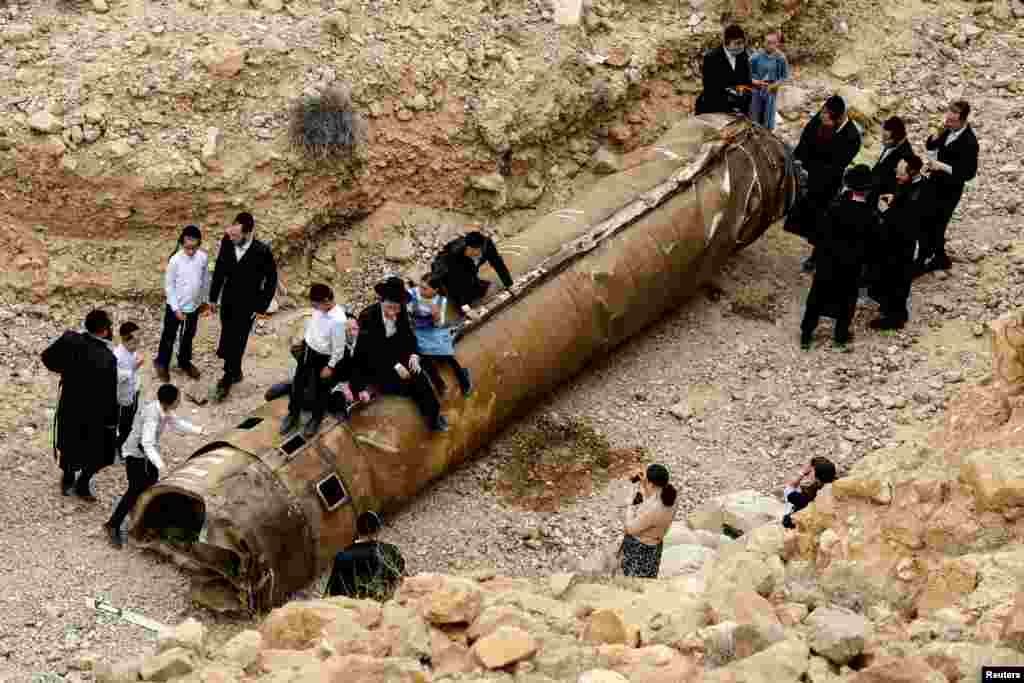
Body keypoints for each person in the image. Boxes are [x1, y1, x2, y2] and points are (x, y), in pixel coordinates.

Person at [103, 384, 204, 549]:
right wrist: (160, 465)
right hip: (136, 455)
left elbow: (176, 422)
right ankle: (112, 524)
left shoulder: (164, 410)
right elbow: (147, 443)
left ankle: (142, 517)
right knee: (135, 489)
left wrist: (199, 431)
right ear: (170, 402)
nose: (179, 401)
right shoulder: (152, 415)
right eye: (178, 399)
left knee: (150, 485)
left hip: (146, 455)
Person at [351, 276, 448, 432]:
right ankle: (423, 406)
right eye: (391, 308)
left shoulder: (400, 310)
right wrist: (395, 365)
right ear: (382, 301)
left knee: (419, 375)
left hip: (396, 351)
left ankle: (434, 416)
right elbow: (368, 351)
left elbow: (408, 336)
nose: (394, 313)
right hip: (375, 360)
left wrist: (414, 355)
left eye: (397, 308)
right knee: (408, 383)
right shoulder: (368, 317)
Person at [41, 309, 119, 501]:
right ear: (103, 331)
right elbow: (110, 395)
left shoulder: (70, 339)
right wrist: (112, 421)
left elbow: (47, 358)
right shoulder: (108, 359)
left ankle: (67, 479)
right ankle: (83, 484)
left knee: (68, 444)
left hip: (69, 404)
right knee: (97, 451)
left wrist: (66, 370)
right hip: (95, 413)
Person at [800, 164, 877, 349]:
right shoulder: (870, 215)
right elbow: (870, 245)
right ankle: (840, 334)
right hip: (852, 266)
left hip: (829, 261)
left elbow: (822, 236)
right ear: (867, 190)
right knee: (847, 299)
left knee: (817, 296)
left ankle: (806, 333)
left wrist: (817, 259)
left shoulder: (835, 207)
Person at [787, 95, 863, 272]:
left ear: (838, 118)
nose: (821, 116)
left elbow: (835, 166)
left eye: (826, 115)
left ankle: (815, 258)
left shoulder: (852, 137)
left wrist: (810, 172)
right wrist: (797, 161)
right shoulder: (823, 116)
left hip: (826, 186)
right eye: (822, 112)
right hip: (806, 175)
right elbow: (806, 139)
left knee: (821, 225)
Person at [208, 212, 278, 402]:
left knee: (237, 339)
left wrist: (261, 306)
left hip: (248, 304)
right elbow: (220, 269)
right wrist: (213, 298)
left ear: (247, 233)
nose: (230, 238)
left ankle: (228, 377)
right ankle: (235, 369)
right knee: (228, 332)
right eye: (230, 234)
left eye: (235, 235)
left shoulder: (262, 251)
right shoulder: (227, 241)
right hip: (228, 299)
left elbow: (271, 280)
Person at [280, 284, 350, 438]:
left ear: (325, 301)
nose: (313, 307)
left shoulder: (338, 320)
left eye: (315, 304)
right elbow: (313, 327)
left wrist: (330, 367)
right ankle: (293, 414)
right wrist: (304, 341)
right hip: (308, 350)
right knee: (298, 383)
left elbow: (338, 348)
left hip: (324, 358)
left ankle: (316, 419)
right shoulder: (319, 310)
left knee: (321, 390)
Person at [868, 156, 930, 330]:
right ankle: (889, 306)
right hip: (896, 241)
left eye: (900, 173)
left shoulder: (919, 193)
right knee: (890, 277)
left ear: (912, 173)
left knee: (897, 279)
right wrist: (893, 198)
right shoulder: (914, 185)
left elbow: (906, 223)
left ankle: (895, 317)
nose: (896, 175)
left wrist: (886, 211)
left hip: (902, 244)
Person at [918, 100, 979, 274]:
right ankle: (934, 255)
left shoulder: (970, 142)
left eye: (952, 121)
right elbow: (931, 145)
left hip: (950, 190)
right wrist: (935, 137)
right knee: (925, 217)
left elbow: (968, 173)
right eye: (947, 119)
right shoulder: (947, 129)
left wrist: (942, 166)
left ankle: (933, 258)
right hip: (934, 181)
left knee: (938, 222)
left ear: (963, 120)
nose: (948, 123)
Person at [155, 225, 210, 382]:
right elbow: (169, 286)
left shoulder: (203, 258)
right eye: (188, 248)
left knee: (188, 335)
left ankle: (184, 362)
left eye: (194, 247)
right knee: (169, 336)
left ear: (199, 245)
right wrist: (175, 308)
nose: (191, 251)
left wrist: (204, 301)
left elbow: (205, 280)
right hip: (176, 307)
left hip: (193, 306)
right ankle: (162, 363)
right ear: (182, 243)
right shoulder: (175, 260)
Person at [408, 274, 473, 398]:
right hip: (415, 329)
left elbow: (438, 324)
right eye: (420, 287)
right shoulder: (412, 294)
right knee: (422, 353)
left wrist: (436, 316)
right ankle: (438, 383)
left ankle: (462, 375)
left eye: (425, 289)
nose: (421, 291)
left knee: (443, 350)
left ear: (435, 290)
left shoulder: (440, 301)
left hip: (430, 329)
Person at [431, 230, 514, 316]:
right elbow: (456, 282)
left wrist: (509, 284)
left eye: (475, 251)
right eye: (470, 250)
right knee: (460, 297)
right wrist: (466, 308)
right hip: (444, 270)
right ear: (467, 248)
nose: (470, 252)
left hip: (467, 266)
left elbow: (498, 264)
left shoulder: (487, 245)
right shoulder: (454, 255)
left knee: (478, 288)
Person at [326, 511, 405, 599]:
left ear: (358, 530)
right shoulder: (389, 551)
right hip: (383, 608)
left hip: (352, 609)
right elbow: (401, 581)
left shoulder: (341, 557)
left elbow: (334, 593)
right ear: (378, 530)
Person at [619, 464, 677, 578]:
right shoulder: (672, 495)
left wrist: (630, 505)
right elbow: (654, 494)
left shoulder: (654, 509)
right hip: (655, 548)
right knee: (648, 580)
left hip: (641, 549)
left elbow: (629, 529)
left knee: (633, 580)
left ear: (651, 484)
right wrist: (645, 482)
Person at [695, 24, 753, 116]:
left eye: (743, 42)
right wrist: (731, 106)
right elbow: (711, 89)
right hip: (712, 108)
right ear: (726, 42)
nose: (741, 46)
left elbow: (747, 83)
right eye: (737, 43)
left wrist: (743, 106)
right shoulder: (711, 58)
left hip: (738, 109)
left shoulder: (743, 55)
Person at [113, 322, 144, 457]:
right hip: (121, 399)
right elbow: (116, 378)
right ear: (125, 339)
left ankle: (118, 445)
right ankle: (115, 447)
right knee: (122, 427)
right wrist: (134, 368)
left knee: (129, 424)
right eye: (135, 341)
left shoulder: (131, 350)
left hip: (133, 393)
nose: (138, 345)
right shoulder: (117, 356)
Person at [748, 32, 789, 130]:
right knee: (755, 115)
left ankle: (767, 133)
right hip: (756, 90)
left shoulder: (781, 58)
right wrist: (755, 82)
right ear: (764, 43)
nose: (771, 46)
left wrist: (774, 85)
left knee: (768, 116)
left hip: (771, 91)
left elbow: (784, 77)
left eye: (773, 43)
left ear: (778, 43)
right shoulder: (756, 57)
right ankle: (754, 132)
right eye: (768, 42)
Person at [782, 456, 837, 529]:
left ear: (816, 476)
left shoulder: (804, 498)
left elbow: (789, 488)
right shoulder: (832, 488)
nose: (808, 473)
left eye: (810, 471)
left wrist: (802, 473)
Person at [870, 116, 914, 202]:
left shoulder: (907, 157)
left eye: (886, 138)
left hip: (880, 197)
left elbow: (899, 187)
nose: (882, 141)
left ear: (897, 138)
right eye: (883, 136)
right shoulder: (891, 142)